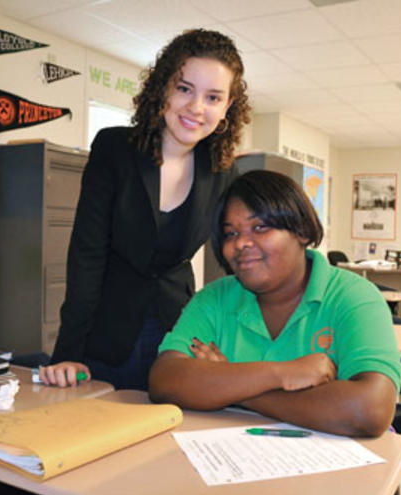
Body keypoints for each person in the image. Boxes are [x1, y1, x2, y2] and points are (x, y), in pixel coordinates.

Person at [39, 29, 251, 390]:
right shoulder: (115, 148)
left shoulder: (222, 172)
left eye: (213, 97)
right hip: (106, 329)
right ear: (162, 88)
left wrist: (225, 343)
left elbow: (235, 263)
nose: (197, 108)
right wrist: (67, 351)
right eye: (184, 88)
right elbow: (87, 254)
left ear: (227, 107)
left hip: (180, 332)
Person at [149, 170, 401, 437]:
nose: (241, 243)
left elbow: (369, 411)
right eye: (230, 233)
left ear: (302, 231)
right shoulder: (214, 298)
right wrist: (280, 374)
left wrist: (232, 386)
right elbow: (164, 380)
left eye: (260, 227)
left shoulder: (353, 296)